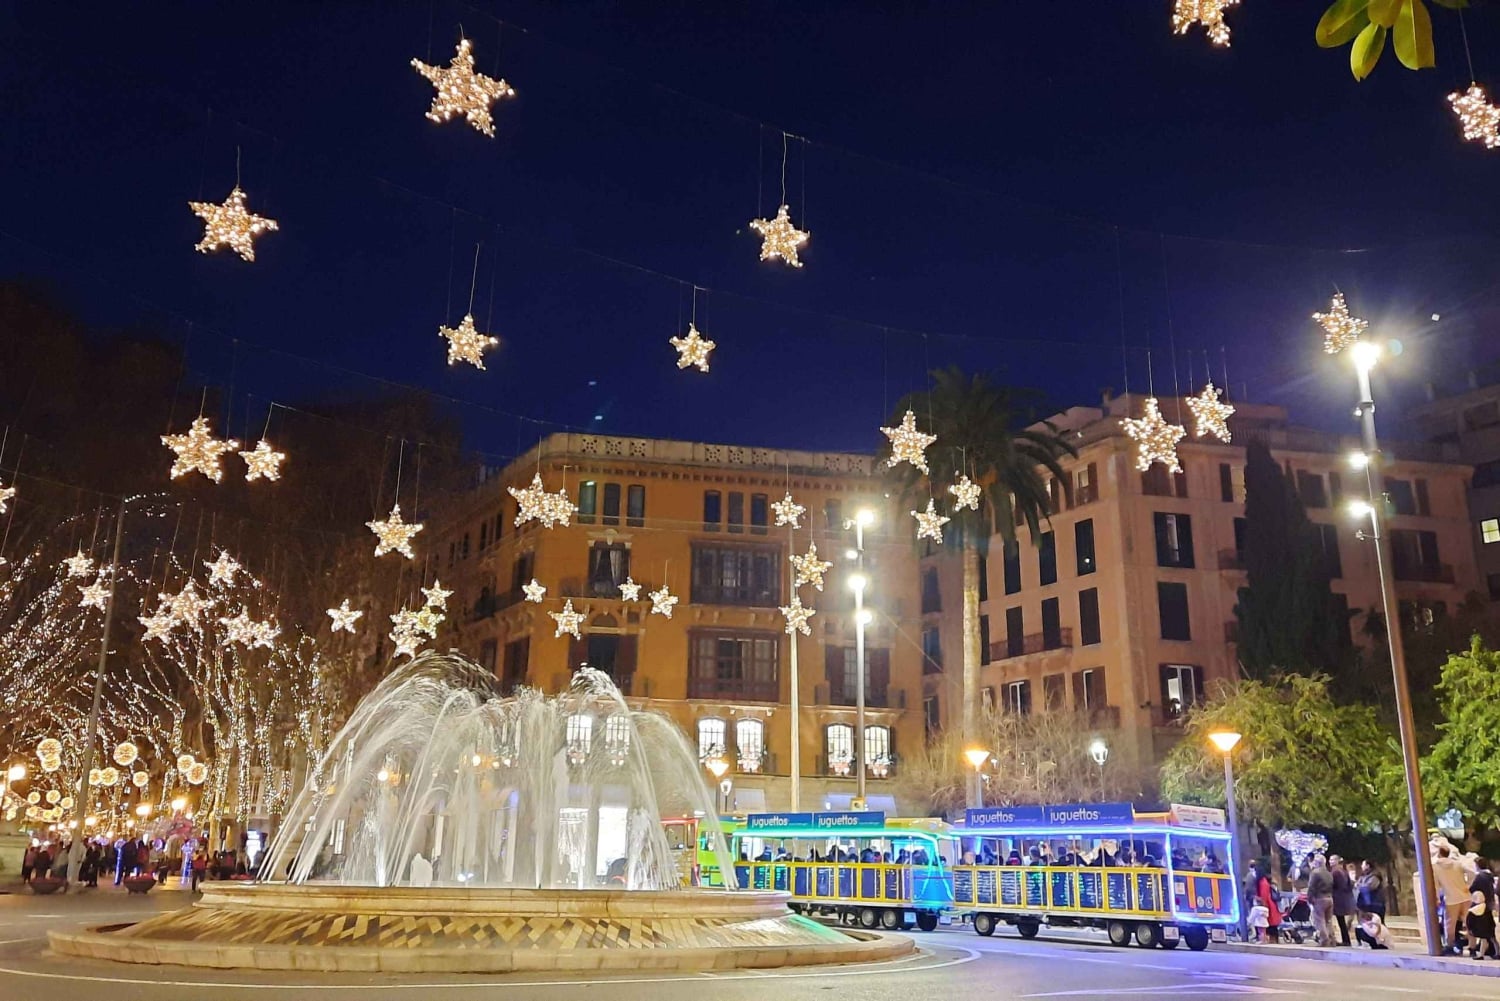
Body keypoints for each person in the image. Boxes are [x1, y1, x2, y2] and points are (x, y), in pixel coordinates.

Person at [1434, 843, 1475, 954]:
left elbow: (1436, 885)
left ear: (1439, 853)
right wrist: (1468, 886)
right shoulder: (1457, 864)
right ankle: (1472, 947)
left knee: (1450, 924)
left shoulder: (1435, 867)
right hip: (1465, 897)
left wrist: (1437, 898)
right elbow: (1472, 872)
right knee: (1469, 922)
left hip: (1451, 899)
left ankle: (1450, 945)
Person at [1469, 860, 1498, 960]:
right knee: (1491, 931)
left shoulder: (1480, 876)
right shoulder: (1490, 876)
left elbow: (1472, 889)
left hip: (1482, 907)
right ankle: (1497, 951)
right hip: (1489, 905)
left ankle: (1481, 954)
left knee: (1483, 932)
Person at [1307, 855, 1335, 947]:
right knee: (1329, 921)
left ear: (1317, 862)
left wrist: (1310, 898)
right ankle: (1332, 939)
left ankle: (1324, 940)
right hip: (1329, 898)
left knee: (1320, 920)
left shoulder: (1315, 873)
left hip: (1319, 898)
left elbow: (1311, 887)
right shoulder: (1329, 873)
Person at [1253, 863, 1283, 943]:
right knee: (1272, 925)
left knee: (1270, 925)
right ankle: (1274, 940)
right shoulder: (1264, 881)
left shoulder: (1262, 882)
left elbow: (1264, 896)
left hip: (1268, 906)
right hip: (1270, 905)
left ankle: (1272, 940)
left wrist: (1261, 902)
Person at [1330, 854, 1355, 947]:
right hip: (1343, 899)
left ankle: (1345, 940)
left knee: (1341, 921)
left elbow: (1333, 885)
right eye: (1330, 860)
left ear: (1337, 861)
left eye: (1332, 860)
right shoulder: (1343, 871)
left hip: (1338, 899)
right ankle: (1346, 940)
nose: (1330, 861)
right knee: (1341, 922)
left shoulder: (1335, 872)